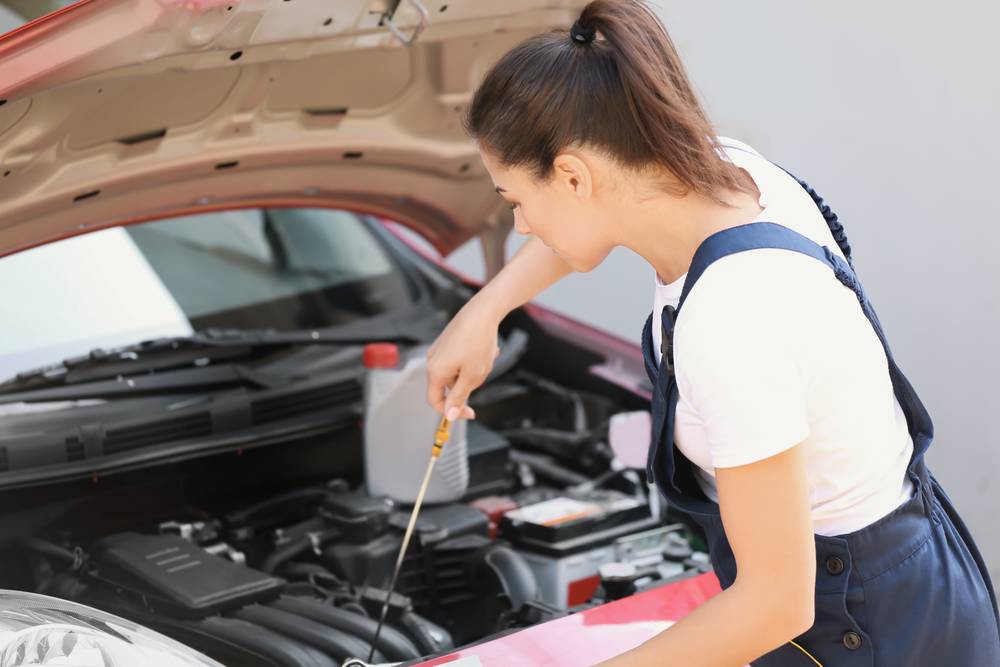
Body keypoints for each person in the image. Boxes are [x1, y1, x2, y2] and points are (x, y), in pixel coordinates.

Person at [424, 1, 1000, 665]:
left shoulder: (729, 320)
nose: (520, 225)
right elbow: (587, 218)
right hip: (915, 570)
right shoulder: (717, 169)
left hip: (868, 632)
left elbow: (777, 603)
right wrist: (481, 312)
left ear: (575, 175)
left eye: (515, 200)